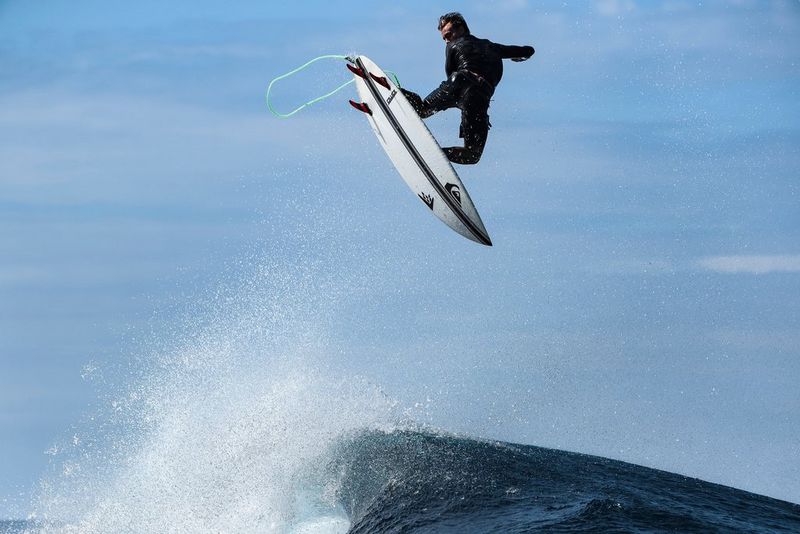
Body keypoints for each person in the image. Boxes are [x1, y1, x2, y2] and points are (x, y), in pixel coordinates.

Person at [402, 12, 535, 165]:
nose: (447, 40)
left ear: (462, 29)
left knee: (422, 110)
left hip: (460, 83)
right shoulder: (494, 47)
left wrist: (464, 104)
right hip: (480, 96)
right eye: (444, 38)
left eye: (448, 34)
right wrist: (518, 57)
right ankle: (433, 154)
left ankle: (396, 90)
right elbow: (529, 50)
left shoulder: (454, 44)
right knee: (472, 154)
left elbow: (451, 75)